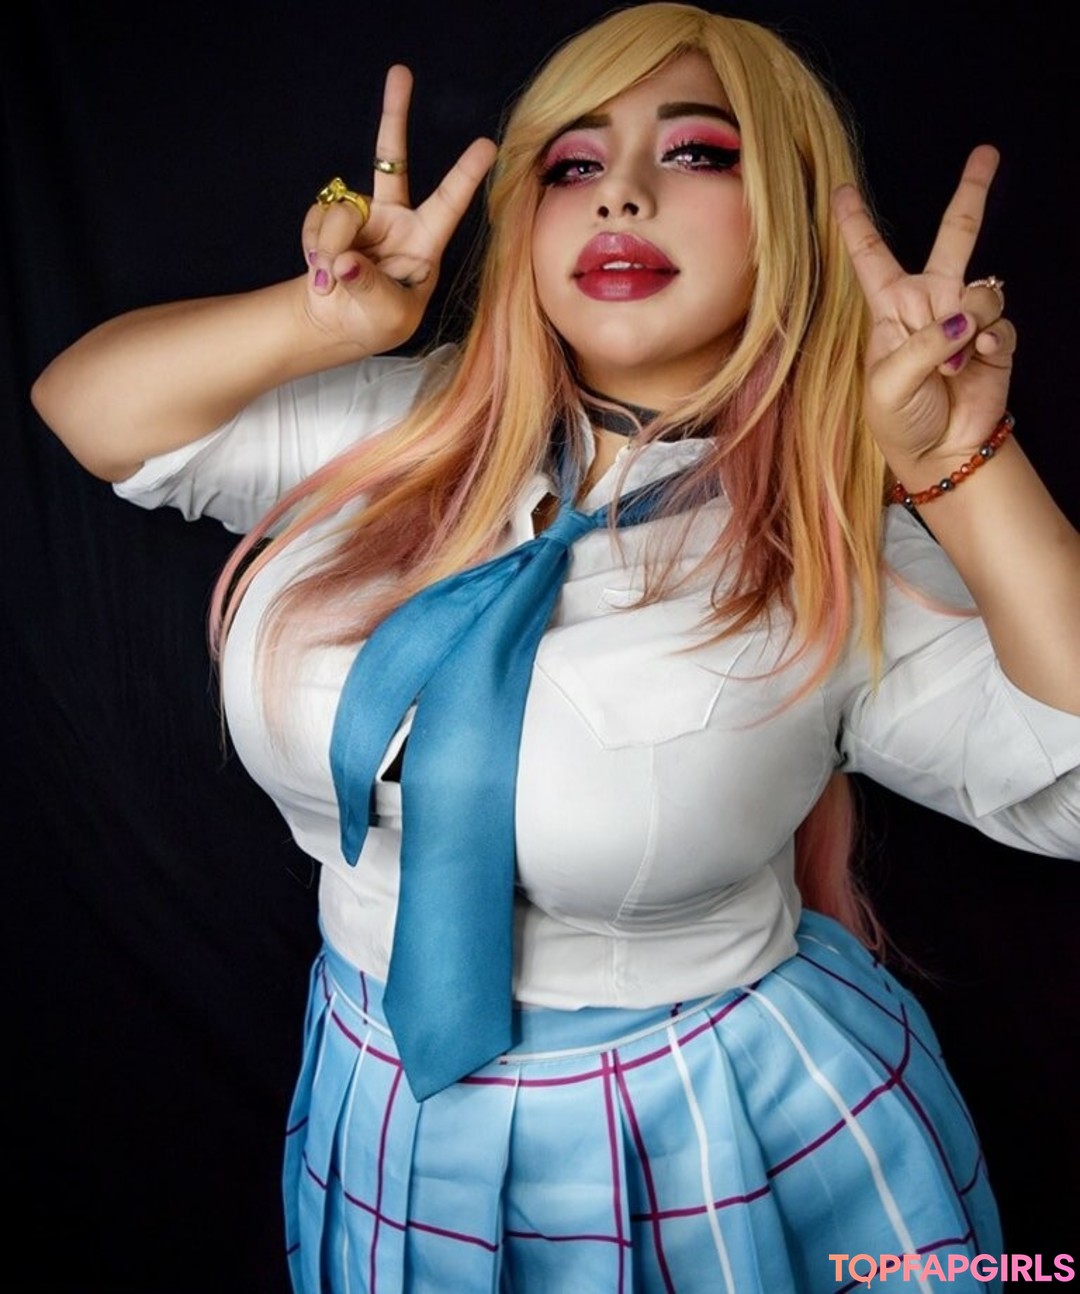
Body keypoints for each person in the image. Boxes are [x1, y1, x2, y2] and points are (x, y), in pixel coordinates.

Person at [30, 2, 1079, 1290]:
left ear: (793, 223)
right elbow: (87, 408)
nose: (620, 195)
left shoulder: (837, 544)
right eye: (574, 165)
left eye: (697, 152)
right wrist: (322, 325)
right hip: (377, 1102)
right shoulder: (395, 432)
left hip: (715, 1134)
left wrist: (963, 464)